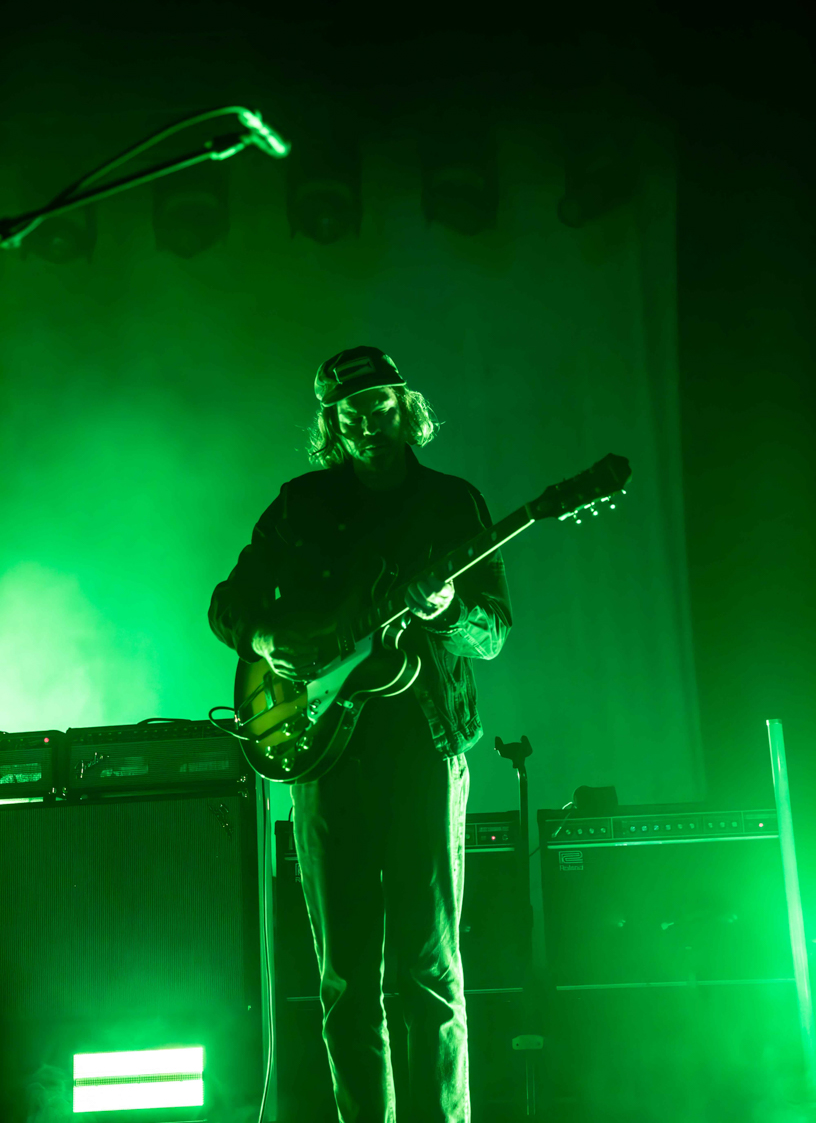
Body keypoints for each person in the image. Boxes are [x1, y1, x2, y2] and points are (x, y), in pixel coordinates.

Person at [208, 346, 512, 1123]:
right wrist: (267, 640)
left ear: (405, 409)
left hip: (424, 748)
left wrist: (447, 609)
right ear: (333, 422)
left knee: (429, 969)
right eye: (351, 412)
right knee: (344, 978)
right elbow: (229, 602)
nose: (368, 422)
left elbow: (492, 633)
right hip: (321, 753)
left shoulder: (451, 503)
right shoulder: (301, 504)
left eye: (380, 406)